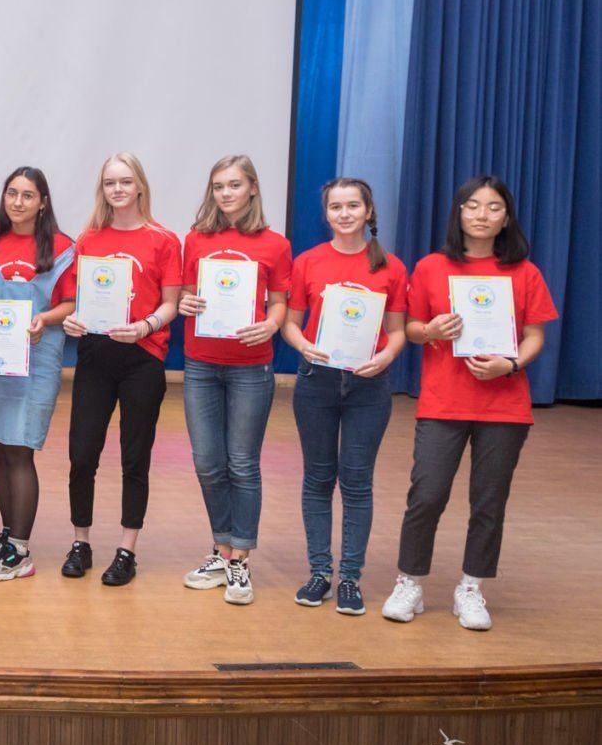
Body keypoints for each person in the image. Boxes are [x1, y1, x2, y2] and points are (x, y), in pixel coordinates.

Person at [382, 176, 558, 631]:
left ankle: (471, 587)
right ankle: (409, 582)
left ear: (506, 218)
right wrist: (430, 331)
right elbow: (412, 328)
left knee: (489, 501)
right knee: (427, 495)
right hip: (443, 402)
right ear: (458, 212)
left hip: (504, 406)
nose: (482, 214)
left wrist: (510, 364)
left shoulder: (525, 273)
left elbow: (535, 336)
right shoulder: (431, 267)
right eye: (473, 205)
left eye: (494, 207)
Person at [281, 177, 408, 615]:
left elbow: (397, 331)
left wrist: (386, 357)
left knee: (356, 482)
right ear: (326, 214)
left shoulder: (391, 267)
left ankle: (350, 578)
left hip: (368, 386)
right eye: (336, 207)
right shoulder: (308, 262)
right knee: (318, 479)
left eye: (353, 205)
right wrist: (303, 346)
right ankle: (320, 572)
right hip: (316, 381)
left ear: (368, 211)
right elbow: (291, 323)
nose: (345, 214)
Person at [59, 152, 182, 586]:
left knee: (135, 457)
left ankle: (127, 550)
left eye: (125, 181)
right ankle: (81, 542)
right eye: (110, 182)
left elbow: (171, 303)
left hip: (142, 357)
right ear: (102, 189)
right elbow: (78, 300)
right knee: (81, 456)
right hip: (95, 356)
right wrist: (73, 320)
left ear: (140, 186)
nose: (118, 189)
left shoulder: (164, 240)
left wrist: (145, 326)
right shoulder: (88, 239)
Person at [175, 155, 291, 605]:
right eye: (219, 186)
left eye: (234, 185)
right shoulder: (196, 239)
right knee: (207, 462)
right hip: (201, 364)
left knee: (242, 463)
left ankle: (240, 558)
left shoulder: (275, 244)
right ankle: (221, 550)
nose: (226, 193)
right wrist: (186, 304)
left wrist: (272, 323)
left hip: (250, 366)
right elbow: (188, 293)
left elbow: (279, 301)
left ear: (253, 188)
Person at [0, 168, 75, 580]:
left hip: (37, 357)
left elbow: (72, 303)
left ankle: (21, 551)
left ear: (42, 202)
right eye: (11, 193)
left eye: (28, 195)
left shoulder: (63, 247)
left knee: (20, 449)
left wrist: (44, 318)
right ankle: (9, 534)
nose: (18, 202)